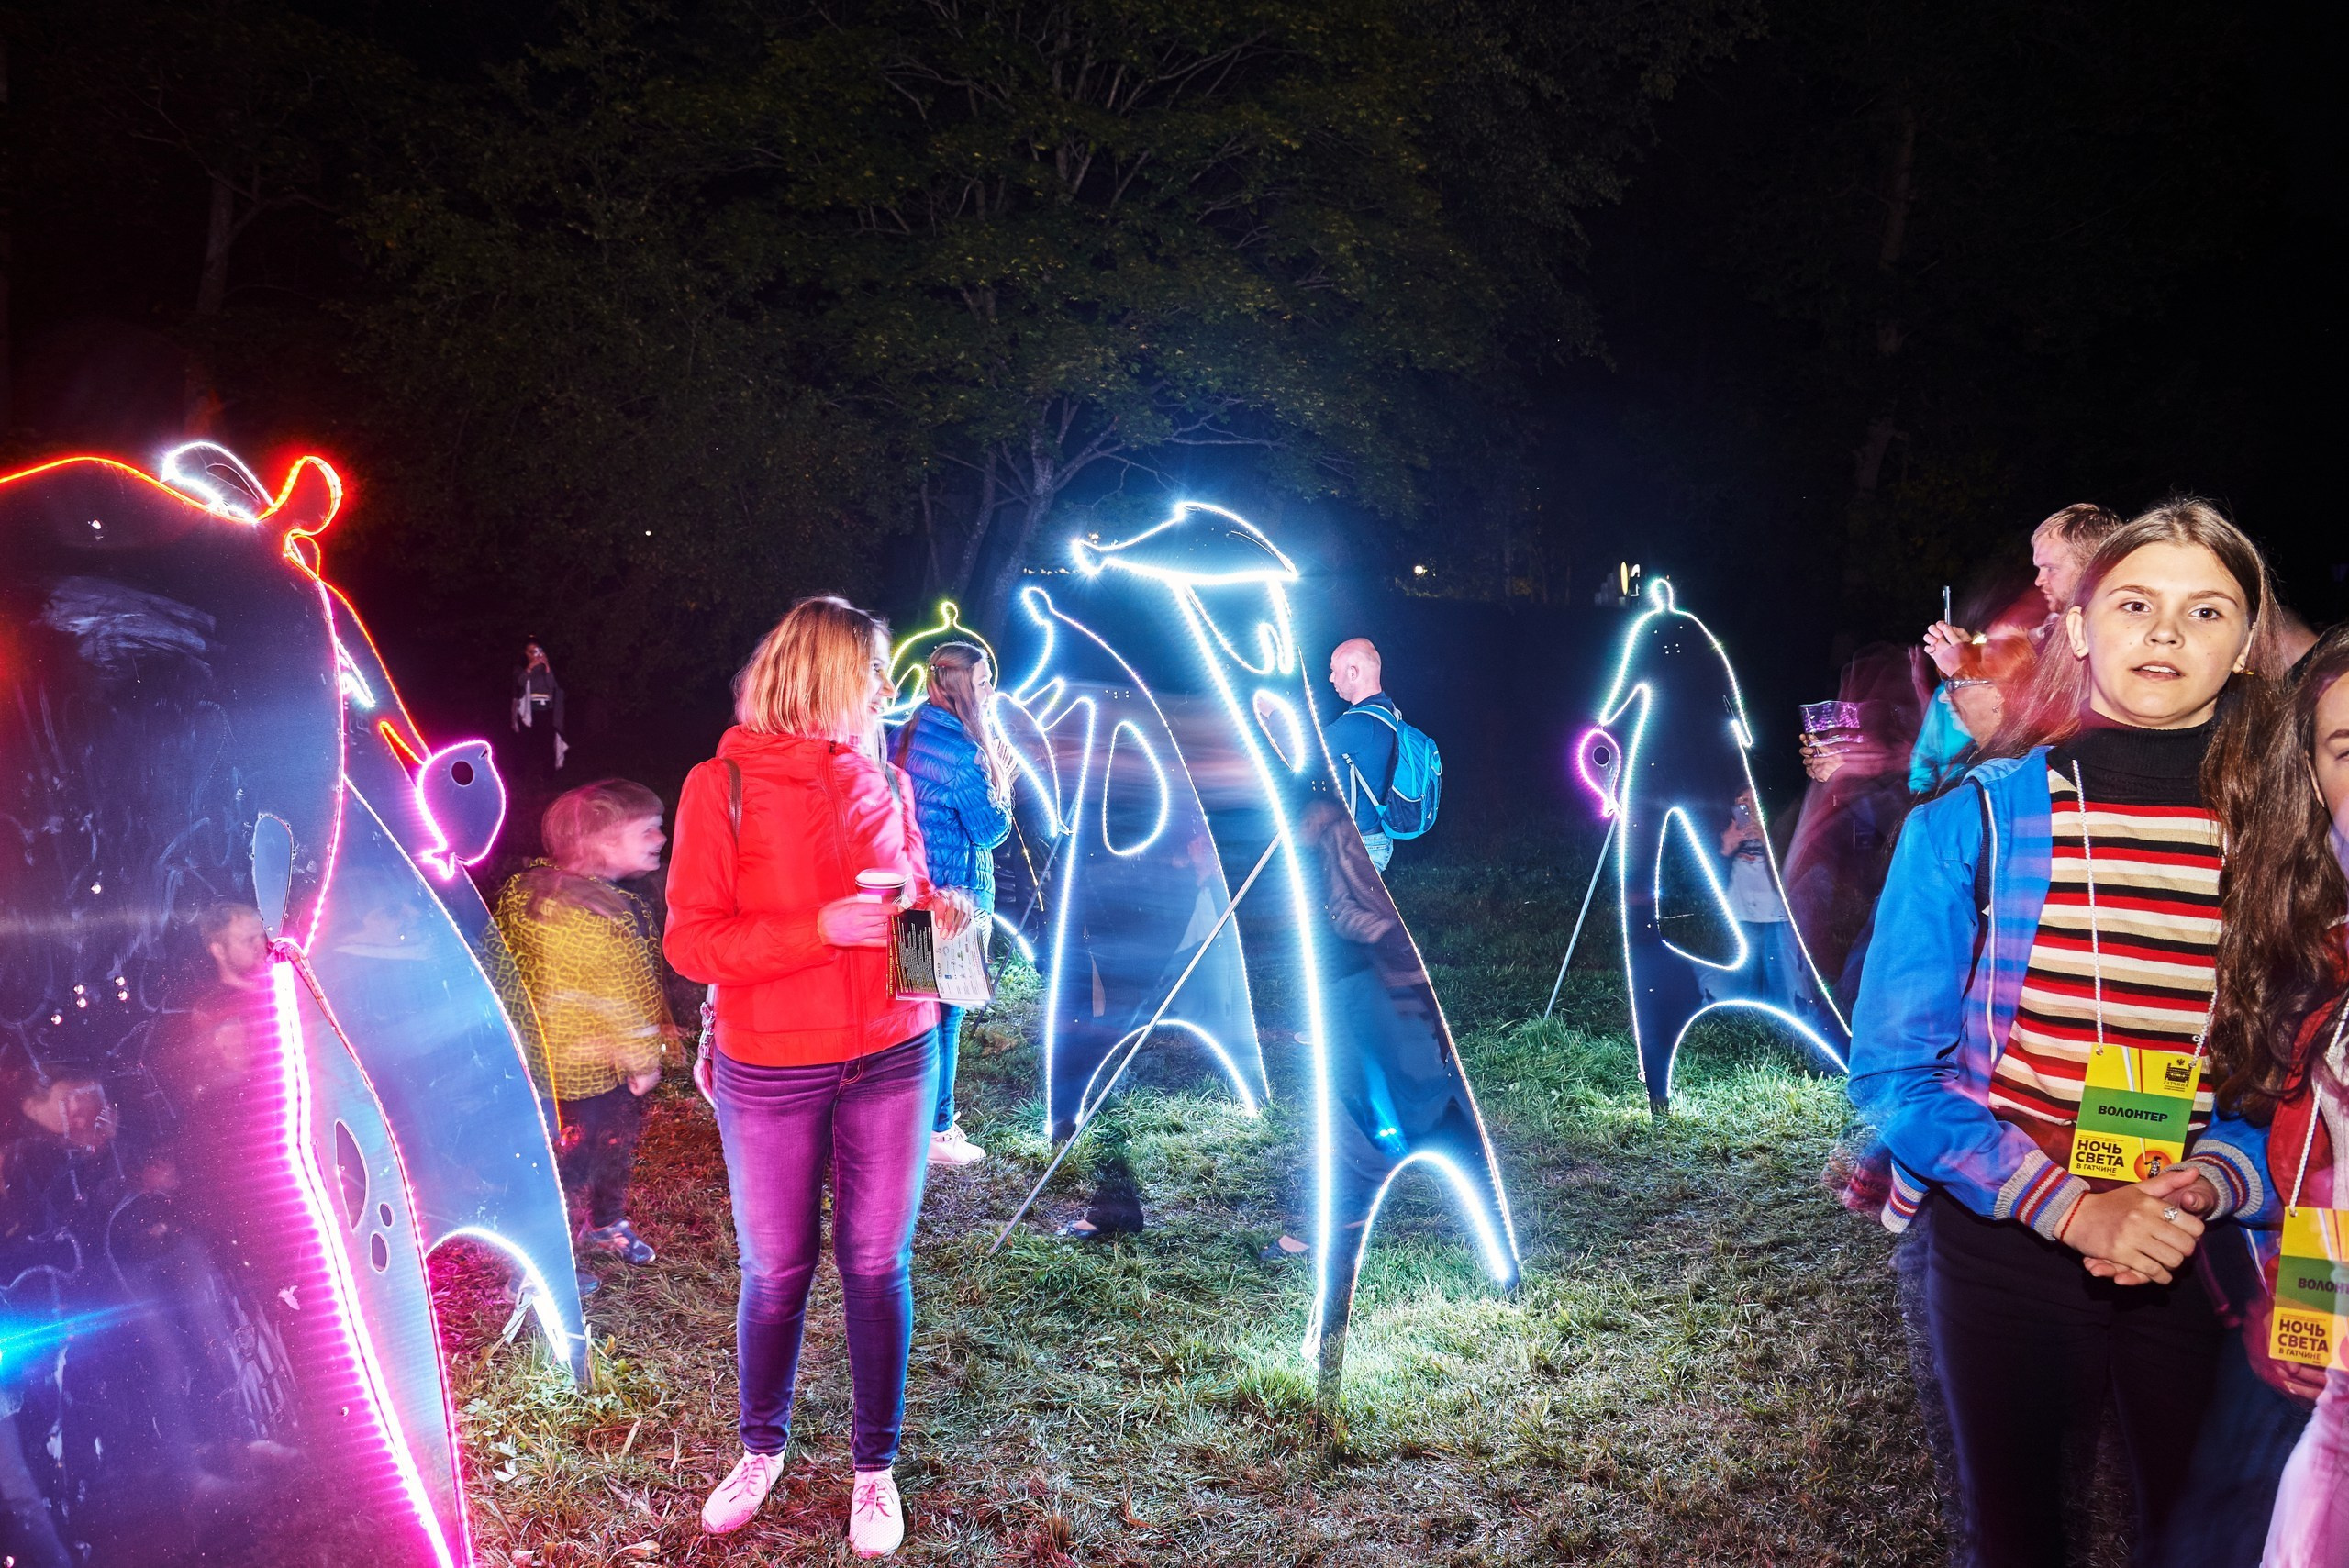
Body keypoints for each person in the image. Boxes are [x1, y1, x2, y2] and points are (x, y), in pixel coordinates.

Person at [1849, 499, 2287, 1567]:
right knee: (2016, 1535)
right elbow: (1896, 1076)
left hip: (2196, 1250)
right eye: (2135, 603)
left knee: (2204, 1537)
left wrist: (2213, 1178)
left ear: (2243, 644)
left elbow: (2290, 1076)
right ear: (2082, 627)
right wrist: (2073, 1211)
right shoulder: (1971, 821)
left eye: (2206, 610)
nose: (2166, 633)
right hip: (2005, 1238)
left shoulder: (2285, 845)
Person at [665, 595, 973, 1559]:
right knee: (776, 1268)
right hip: (773, 1064)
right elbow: (690, 939)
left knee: (877, 1265)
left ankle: (872, 1470)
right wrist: (817, 931)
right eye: (875, 671)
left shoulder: (887, 775)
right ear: (825, 674)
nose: (889, 688)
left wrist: (941, 926)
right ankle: (761, 1446)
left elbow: (912, 904)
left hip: (894, 1049)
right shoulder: (720, 786)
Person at [2172, 625, 2349, 1566]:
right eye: (2348, 748)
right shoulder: (2309, 943)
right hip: (2312, 1362)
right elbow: (2301, 1151)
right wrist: (2214, 1174)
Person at [494, 780, 675, 1269]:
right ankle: (542, 1258)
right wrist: (643, 1061)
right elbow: (623, 995)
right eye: (649, 830)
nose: (661, 838)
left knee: (586, 1150)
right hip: (593, 1068)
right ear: (601, 842)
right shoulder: (601, 915)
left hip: (539, 1061)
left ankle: (601, 1222)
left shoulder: (525, 892)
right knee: (583, 1155)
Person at [890, 641, 1014, 1169]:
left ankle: (908, 1124)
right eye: (984, 681)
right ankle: (938, 1132)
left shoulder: (908, 732)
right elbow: (989, 832)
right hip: (957, 900)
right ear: (962, 687)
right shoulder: (966, 754)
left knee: (915, 1014)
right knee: (945, 1018)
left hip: (911, 891)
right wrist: (1003, 781)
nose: (991, 690)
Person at [1912, 505, 2126, 791]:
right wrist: (1970, 655)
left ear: (2093, 568)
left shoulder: (2094, 640)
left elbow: (2010, 743)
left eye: (2051, 568)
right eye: (2039, 568)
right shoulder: (2058, 632)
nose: (2039, 580)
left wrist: (1961, 672)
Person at [1323, 637, 1401, 872]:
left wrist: (1273, 714)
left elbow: (1299, 749)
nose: (1331, 678)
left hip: (1362, 846)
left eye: (1334, 671)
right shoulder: (1387, 712)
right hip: (1371, 840)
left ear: (1353, 673)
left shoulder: (1360, 724)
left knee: (1350, 910)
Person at [511, 639, 568, 779]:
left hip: (545, 711)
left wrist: (547, 666)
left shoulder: (545, 668)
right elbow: (520, 682)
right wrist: (530, 668)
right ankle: (519, 774)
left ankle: (549, 775)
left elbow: (552, 687)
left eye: (537, 650)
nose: (535, 654)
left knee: (546, 744)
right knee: (523, 743)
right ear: (526, 653)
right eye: (531, 651)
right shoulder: (520, 668)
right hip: (527, 712)